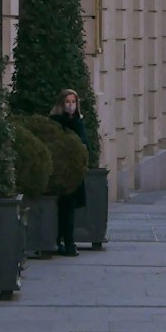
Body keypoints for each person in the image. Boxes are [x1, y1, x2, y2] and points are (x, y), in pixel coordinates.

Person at [50, 89, 89, 257]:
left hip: (74, 173)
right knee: (61, 209)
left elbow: (84, 144)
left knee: (69, 209)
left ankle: (68, 242)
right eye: (67, 102)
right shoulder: (55, 121)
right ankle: (61, 242)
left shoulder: (78, 122)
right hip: (60, 172)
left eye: (73, 102)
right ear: (61, 104)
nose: (71, 106)